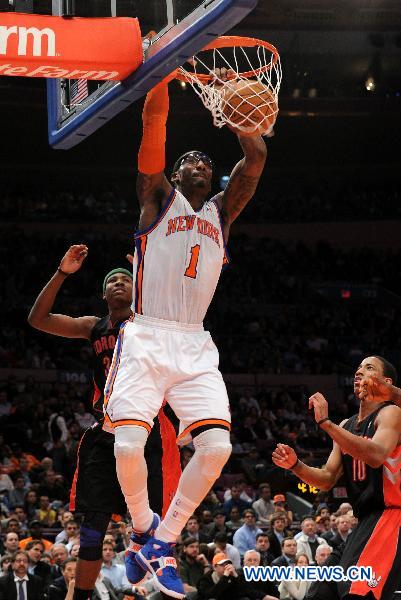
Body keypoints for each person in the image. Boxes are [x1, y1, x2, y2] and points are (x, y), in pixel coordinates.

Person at [104, 68, 268, 598]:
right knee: (129, 444)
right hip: (148, 335)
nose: (198, 164)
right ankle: (144, 527)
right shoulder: (156, 200)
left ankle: (163, 542)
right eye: (188, 161)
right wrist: (159, 76)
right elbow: (152, 126)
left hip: (196, 342)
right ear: (175, 175)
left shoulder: (222, 213)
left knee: (217, 448)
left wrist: (241, 117)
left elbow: (255, 161)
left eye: (206, 161)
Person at [28, 245, 181, 600]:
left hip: (148, 429)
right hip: (107, 431)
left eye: (125, 279)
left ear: (137, 289)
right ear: (102, 293)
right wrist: (62, 273)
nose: (118, 283)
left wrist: (151, 274)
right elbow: (38, 319)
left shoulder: (148, 321)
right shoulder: (92, 327)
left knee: (153, 522)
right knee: (92, 526)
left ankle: (151, 581)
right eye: (111, 280)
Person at [272, 355, 401, 599]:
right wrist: (296, 466)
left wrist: (326, 423)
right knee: (320, 593)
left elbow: (376, 455)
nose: (359, 372)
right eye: (358, 368)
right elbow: (328, 477)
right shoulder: (346, 425)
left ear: (386, 381)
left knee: (357, 594)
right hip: (363, 521)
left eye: (368, 368)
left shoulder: (391, 412)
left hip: (389, 518)